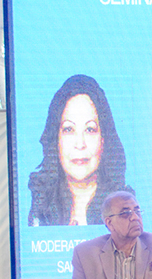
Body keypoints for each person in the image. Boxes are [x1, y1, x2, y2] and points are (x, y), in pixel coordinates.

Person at [28, 74, 134, 226]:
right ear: (55, 140)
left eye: (90, 129)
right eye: (68, 129)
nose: (80, 144)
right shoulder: (40, 208)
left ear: (104, 139)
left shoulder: (125, 207)